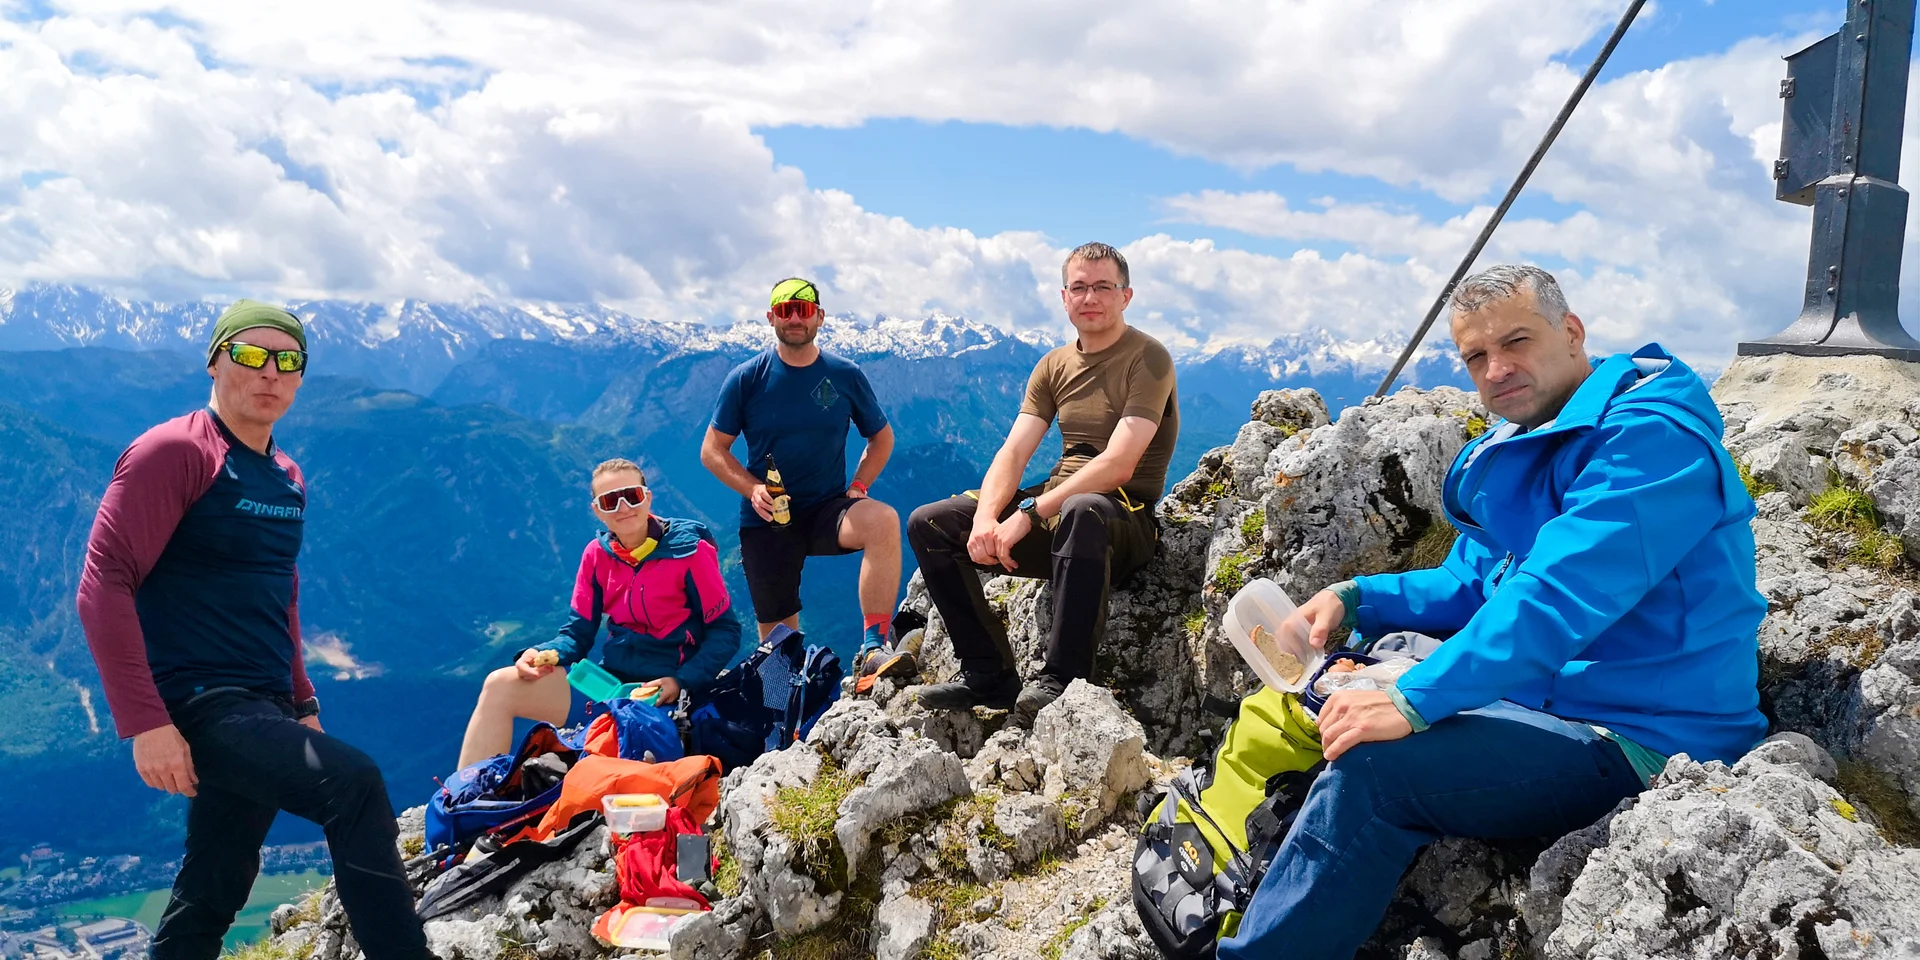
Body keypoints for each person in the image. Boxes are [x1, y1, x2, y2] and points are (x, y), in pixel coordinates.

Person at [1218, 265, 1768, 960]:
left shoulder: (1649, 444)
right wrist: (1356, 598)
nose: (1497, 368)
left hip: (1642, 736)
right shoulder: (1538, 435)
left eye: (1517, 341)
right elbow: (1479, 583)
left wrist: (1416, 697)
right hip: (1549, 702)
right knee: (1335, 689)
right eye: (1477, 355)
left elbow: (1552, 599)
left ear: (1572, 333)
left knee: (1380, 774)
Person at [75, 301, 430, 960]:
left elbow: (281, 597)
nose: (270, 372)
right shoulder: (175, 451)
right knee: (352, 786)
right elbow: (104, 585)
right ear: (214, 360)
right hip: (198, 703)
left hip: (263, 706)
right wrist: (145, 723)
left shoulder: (286, 477)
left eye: (288, 361)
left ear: (299, 380)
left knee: (217, 881)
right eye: (250, 354)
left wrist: (302, 706)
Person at [907, 242, 1179, 722]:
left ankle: (1064, 678)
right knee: (930, 524)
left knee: (1083, 509)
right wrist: (989, 518)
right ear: (1064, 296)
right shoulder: (1053, 365)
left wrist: (1029, 514)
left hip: (1122, 521)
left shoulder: (1148, 358)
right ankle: (988, 674)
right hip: (1064, 518)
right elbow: (1014, 451)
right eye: (1079, 287)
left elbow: (1119, 464)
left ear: (1126, 296)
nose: (1090, 296)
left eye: (1103, 287)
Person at [457, 458, 743, 767]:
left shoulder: (690, 552)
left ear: (647, 497)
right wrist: (542, 652)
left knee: (615, 756)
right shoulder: (596, 556)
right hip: (608, 687)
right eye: (609, 501)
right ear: (597, 511)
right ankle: (466, 799)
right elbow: (577, 633)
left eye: (631, 495)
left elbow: (725, 631)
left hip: (665, 696)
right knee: (500, 685)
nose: (623, 507)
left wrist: (680, 681)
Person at [700, 278, 909, 687]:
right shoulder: (746, 378)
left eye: (803, 309)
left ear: (819, 316)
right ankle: (782, 731)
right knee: (780, 658)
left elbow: (881, 438)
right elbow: (712, 450)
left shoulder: (845, 375)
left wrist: (860, 486)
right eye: (784, 310)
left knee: (883, 520)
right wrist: (752, 488)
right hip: (768, 517)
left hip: (828, 508)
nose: (794, 317)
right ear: (771, 317)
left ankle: (872, 648)